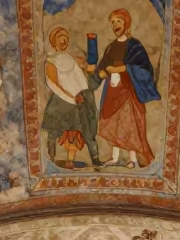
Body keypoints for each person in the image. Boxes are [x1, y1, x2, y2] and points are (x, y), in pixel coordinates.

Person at [87, 9, 159, 168]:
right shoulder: (111, 47)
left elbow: (145, 69)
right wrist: (100, 72)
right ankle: (115, 158)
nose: (115, 25)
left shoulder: (134, 45)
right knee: (114, 123)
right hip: (112, 91)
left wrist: (123, 69)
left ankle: (132, 159)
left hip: (128, 91)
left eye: (118, 21)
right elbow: (102, 68)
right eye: (112, 22)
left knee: (129, 124)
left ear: (126, 22)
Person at [42, 26, 101, 169]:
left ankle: (93, 158)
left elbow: (80, 78)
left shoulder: (70, 59)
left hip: (77, 99)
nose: (63, 41)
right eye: (60, 38)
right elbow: (53, 82)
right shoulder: (51, 60)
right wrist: (68, 95)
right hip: (61, 100)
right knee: (54, 129)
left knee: (80, 129)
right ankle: (50, 157)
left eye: (65, 38)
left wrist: (82, 94)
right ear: (53, 42)